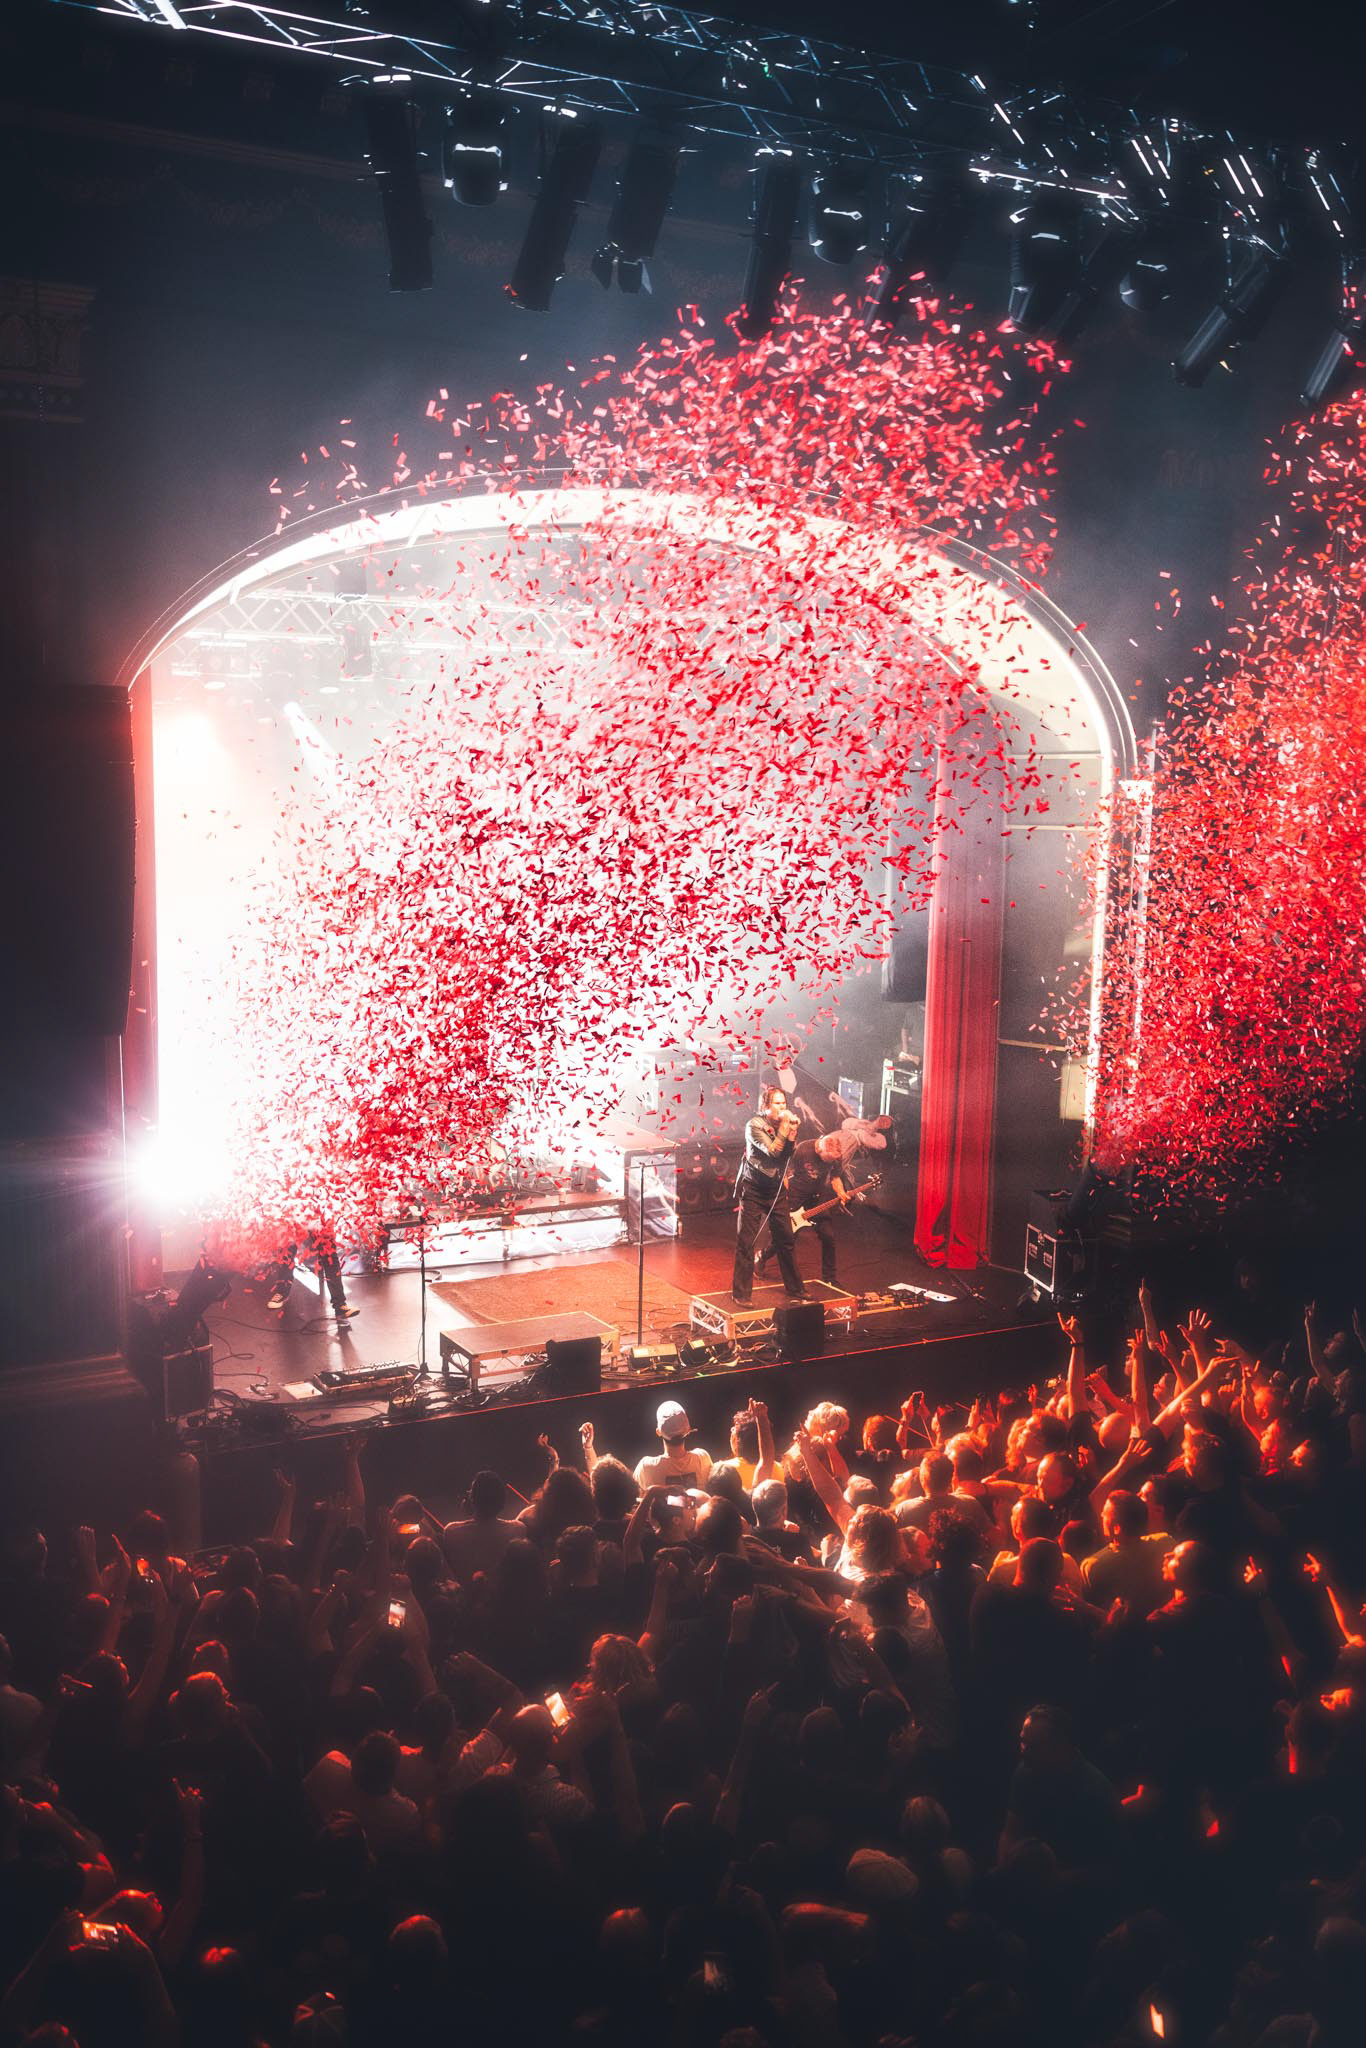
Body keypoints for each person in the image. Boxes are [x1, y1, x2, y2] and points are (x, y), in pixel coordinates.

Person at [731, 1087, 805, 1304]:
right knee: (747, 1242)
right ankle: (741, 1294)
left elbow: (786, 1154)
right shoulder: (754, 1125)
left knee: (786, 1239)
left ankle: (795, 1289)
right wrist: (785, 1127)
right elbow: (773, 1151)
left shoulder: (783, 1125)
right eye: (777, 1103)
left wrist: (792, 1134)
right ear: (765, 1106)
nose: (782, 1107)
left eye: (784, 1103)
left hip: (776, 1190)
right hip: (753, 1189)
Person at [757, 1132, 851, 1289]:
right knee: (786, 1236)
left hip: (816, 1198)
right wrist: (783, 1197)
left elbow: (835, 1178)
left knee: (828, 1236)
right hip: (795, 1197)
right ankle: (762, 1256)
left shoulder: (836, 1156)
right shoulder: (803, 1149)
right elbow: (784, 1173)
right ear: (819, 1150)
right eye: (826, 1159)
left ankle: (829, 1278)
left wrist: (841, 1192)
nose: (828, 1163)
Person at [633, 1403, 713, 1492]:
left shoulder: (646, 1467)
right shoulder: (702, 1458)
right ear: (688, 1430)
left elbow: (635, 1496)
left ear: (658, 1432)